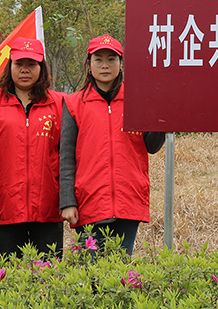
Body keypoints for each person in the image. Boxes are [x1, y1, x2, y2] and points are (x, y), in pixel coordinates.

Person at [60, 34, 165, 256]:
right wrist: (68, 201)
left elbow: (152, 146)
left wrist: (161, 115)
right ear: (89, 64)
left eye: (111, 59)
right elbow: (66, 157)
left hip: (128, 198)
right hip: (89, 200)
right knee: (89, 269)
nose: (105, 65)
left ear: (121, 63)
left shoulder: (138, 100)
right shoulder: (74, 103)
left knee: (120, 269)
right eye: (98, 59)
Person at [0, 38, 64, 257]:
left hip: (48, 205)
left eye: (32, 64)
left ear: (42, 68)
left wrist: (67, 198)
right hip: (5, 204)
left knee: (50, 271)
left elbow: (68, 156)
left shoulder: (60, 104)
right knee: (11, 273)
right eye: (19, 64)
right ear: (10, 66)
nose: (25, 70)